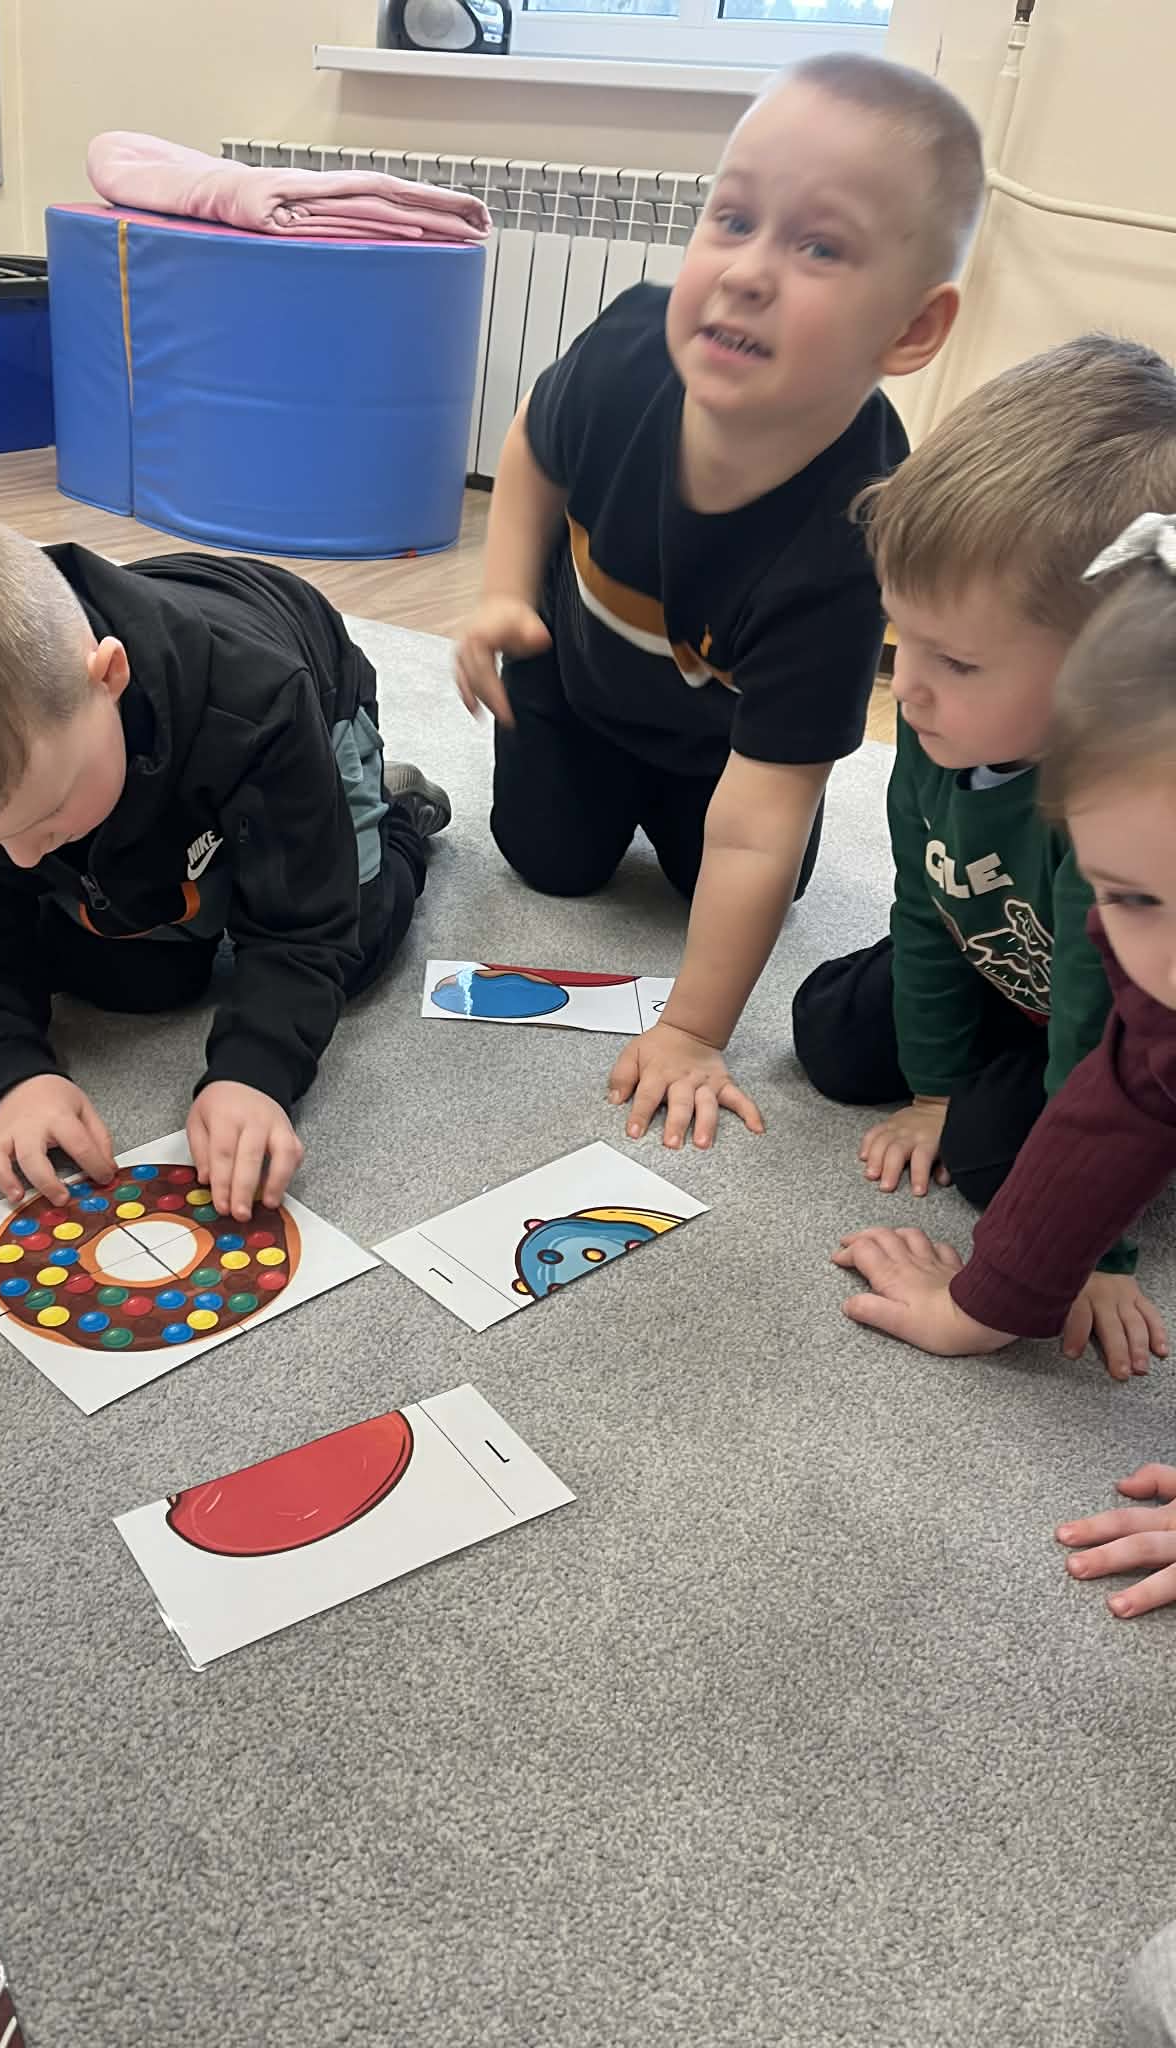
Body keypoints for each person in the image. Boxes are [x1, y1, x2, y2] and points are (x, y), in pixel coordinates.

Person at [453, 51, 981, 1153]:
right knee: (547, 864)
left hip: (723, 751)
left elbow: (758, 823)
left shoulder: (856, 537)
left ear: (910, 330)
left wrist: (692, 1030)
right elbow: (535, 444)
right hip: (574, 683)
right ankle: (595, 781)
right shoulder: (629, 352)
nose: (746, 271)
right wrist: (503, 595)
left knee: (752, 880)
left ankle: (686, 808)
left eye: (819, 246)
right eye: (731, 219)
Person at [0, 500, 449, 1221]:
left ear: (109, 677)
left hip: (304, 690)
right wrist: (9, 1078)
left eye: (44, 817)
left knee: (356, 944)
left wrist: (255, 1073)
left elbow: (306, 928)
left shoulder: (259, 700)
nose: (21, 857)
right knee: (134, 978)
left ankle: (399, 818)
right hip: (147, 757)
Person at [797, 341, 1176, 1378]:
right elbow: (924, 899)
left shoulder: (1124, 827)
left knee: (996, 1158)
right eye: (902, 638)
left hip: (1089, 1015)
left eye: (957, 661)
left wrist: (1092, 1256)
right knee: (831, 1034)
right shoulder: (937, 732)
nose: (907, 688)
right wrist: (930, 1086)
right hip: (1004, 954)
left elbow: (1111, 1054)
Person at [836, 516, 1176, 1578]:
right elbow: (1121, 1087)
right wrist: (986, 1301)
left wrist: (1102, 1256)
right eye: (1125, 898)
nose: (1154, 967)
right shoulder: (1151, 979)